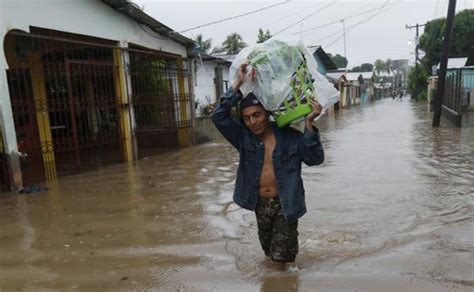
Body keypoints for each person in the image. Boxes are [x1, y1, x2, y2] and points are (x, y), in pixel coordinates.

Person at [211, 63, 324, 266]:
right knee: (269, 255)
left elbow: (315, 159)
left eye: (257, 115)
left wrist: (309, 125)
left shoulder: (291, 137)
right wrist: (238, 82)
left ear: (267, 113)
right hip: (259, 205)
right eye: (247, 118)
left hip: (286, 203)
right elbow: (218, 116)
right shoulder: (243, 138)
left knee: (281, 260)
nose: (252, 122)